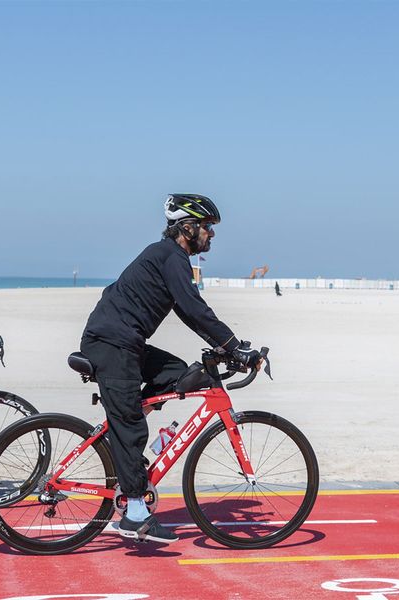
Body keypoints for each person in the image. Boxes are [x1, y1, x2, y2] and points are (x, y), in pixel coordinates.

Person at [80, 193, 263, 544]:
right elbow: (193, 307)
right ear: (187, 227)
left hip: (124, 344)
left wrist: (224, 347)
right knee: (131, 427)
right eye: (208, 228)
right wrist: (234, 346)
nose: (212, 235)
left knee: (180, 373)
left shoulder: (169, 258)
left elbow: (186, 309)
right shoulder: (171, 256)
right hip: (111, 345)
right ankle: (134, 514)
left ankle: (134, 423)